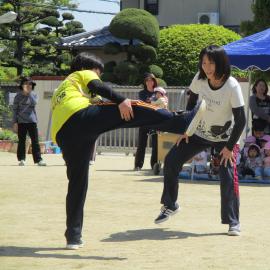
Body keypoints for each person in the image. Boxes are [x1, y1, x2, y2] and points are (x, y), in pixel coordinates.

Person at [51, 53, 199, 249]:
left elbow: (95, 102)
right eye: (98, 73)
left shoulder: (63, 90)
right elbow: (98, 87)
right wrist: (121, 99)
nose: (98, 77)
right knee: (130, 109)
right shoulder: (80, 74)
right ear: (87, 68)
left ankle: (73, 236)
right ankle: (182, 121)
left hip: (64, 135)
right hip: (79, 116)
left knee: (77, 184)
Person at [153, 45, 246, 236]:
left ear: (220, 63)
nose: (207, 67)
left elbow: (241, 120)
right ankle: (170, 204)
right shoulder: (199, 78)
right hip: (199, 133)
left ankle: (233, 222)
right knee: (171, 160)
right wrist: (186, 130)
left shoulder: (231, 85)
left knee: (227, 174)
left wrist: (229, 148)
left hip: (226, 139)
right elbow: (191, 103)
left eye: (211, 63)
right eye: (204, 63)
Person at [12, 77, 46, 166]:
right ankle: (22, 159)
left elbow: (34, 103)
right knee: (22, 141)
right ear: (22, 85)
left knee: (35, 141)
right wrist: (15, 122)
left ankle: (38, 160)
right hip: (21, 121)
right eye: (26, 83)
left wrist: (29, 93)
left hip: (32, 121)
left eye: (30, 84)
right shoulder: (18, 96)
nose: (28, 85)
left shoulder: (34, 95)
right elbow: (15, 110)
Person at [134, 73, 158, 171]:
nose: (149, 82)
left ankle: (154, 165)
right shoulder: (142, 93)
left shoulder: (158, 92)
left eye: (151, 80)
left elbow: (162, 103)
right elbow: (142, 105)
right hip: (144, 120)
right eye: (147, 80)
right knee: (141, 143)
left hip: (156, 121)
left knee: (156, 144)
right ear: (145, 82)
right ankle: (138, 165)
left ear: (154, 82)